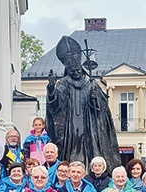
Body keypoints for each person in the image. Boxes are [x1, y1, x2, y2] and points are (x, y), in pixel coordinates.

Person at [46, 35, 121, 171]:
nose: (75, 72)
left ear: (81, 67)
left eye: (77, 70)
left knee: (91, 148)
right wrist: (51, 89)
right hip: (70, 127)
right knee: (71, 152)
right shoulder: (63, 83)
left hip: (89, 125)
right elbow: (55, 106)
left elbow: (102, 109)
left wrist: (95, 99)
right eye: (72, 71)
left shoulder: (91, 83)